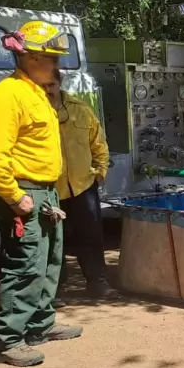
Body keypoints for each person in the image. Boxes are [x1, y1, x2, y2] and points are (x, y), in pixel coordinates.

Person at [0, 21, 83, 367]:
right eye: (53, 59)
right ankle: (8, 341)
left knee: (49, 263)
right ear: (33, 57)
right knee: (25, 267)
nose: (57, 66)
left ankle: (40, 325)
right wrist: (13, 195)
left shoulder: (35, 92)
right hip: (26, 193)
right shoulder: (8, 95)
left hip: (45, 194)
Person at [41, 70, 115, 296]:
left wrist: (100, 171)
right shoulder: (32, 112)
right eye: (43, 86)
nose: (47, 90)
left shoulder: (80, 109)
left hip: (83, 185)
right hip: (50, 189)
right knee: (53, 241)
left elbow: (98, 143)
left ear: (59, 83)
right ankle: (54, 290)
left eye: (51, 85)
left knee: (91, 236)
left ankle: (97, 283)